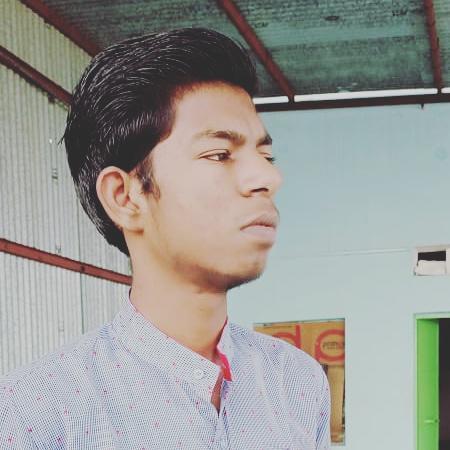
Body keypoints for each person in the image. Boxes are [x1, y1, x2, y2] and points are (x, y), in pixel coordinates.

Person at [0, 28, 330, 449]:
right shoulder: (36, 411)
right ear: (125, 196)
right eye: (219, 155)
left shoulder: (297, 382)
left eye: (265, 156)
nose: (267, 177)